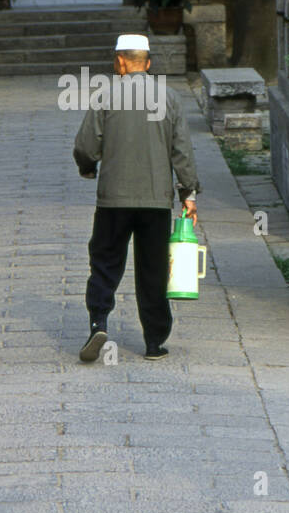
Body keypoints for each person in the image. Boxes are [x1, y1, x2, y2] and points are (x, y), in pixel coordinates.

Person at [73, 34, 200, 362]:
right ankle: (155, 341)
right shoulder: (169, 98)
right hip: (156, 200)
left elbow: (86, 146)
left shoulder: (106, 96)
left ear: (119, 62)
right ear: (148, 62)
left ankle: (98, 320)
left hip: (113, 200)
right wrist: (188, 194)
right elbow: (181, 151)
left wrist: (89, 168)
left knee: (104, 263)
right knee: (153, 269)